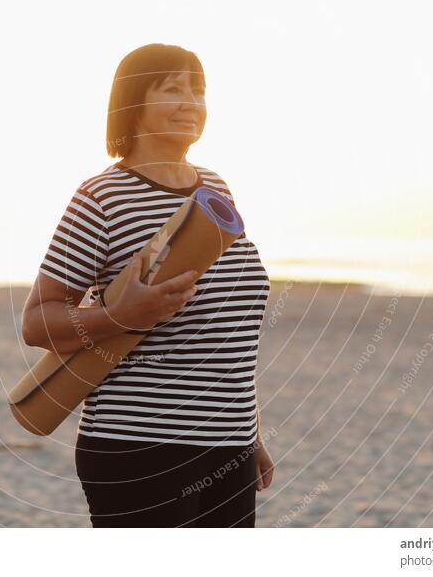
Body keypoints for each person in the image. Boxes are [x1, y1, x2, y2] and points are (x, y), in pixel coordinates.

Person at [21, 43, 274, 527]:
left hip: (229, 448)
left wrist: (251, 435)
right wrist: (120, 316)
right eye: (172, 89)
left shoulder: (214, 188)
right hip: (139, 447)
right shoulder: (101, 198)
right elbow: (37, 323)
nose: (191, 103)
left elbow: (229, 327)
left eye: (198, 91)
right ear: (133, 102)